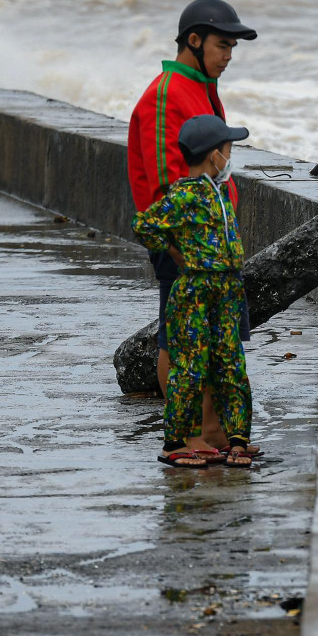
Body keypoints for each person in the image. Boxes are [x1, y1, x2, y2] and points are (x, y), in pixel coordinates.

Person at [127, 0, 258, 458]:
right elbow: (167, 184)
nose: (228, 56)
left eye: (233, 48)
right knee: (180, 343)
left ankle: (217, 435)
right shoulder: (169, 90)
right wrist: (189, 259)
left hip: (210, 255)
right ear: (194, 41)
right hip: (186, 251)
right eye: (223, 45)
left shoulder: (200, 86)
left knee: (214, 348)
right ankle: (188, 437)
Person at [133, 115, 254, 469]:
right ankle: (176, 443)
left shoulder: (217, 191)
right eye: (228, 148)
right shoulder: (185, 193)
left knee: (231, 362)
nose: (230, 156)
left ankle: (237, 440)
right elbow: (144, 224)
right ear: (214, 155)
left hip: (227, 288)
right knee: (189, 365)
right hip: (195, 290)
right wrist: (172, 250)